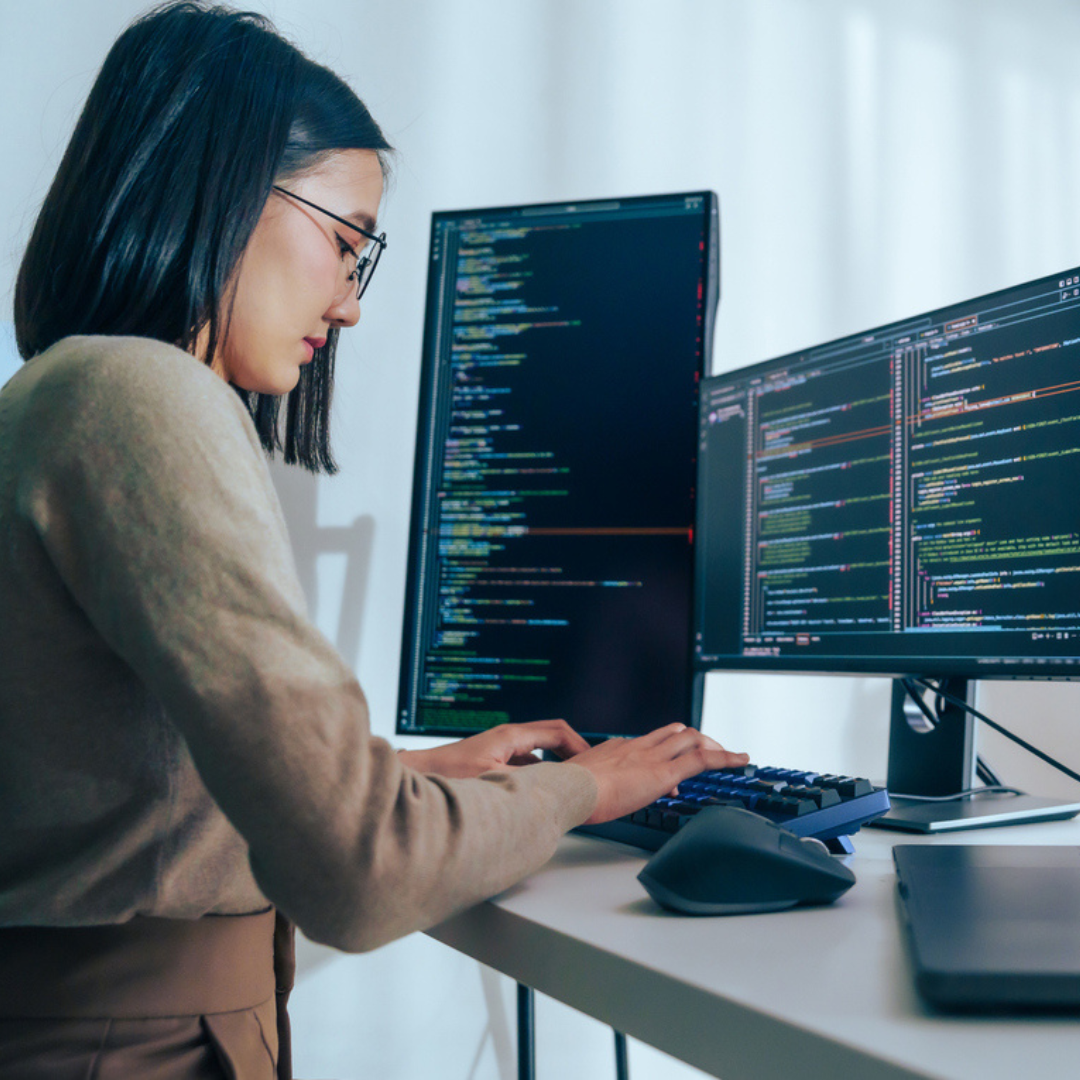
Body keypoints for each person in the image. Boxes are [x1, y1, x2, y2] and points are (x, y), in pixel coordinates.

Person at [0, 2, 748, 1076]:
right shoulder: (137, 395)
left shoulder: (52, 397)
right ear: (224, 188)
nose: (350, 306)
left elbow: (125, 789)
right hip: (139, 1048)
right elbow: (358, 873)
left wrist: (414, 773)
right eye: (344, 243)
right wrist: (593, 787)